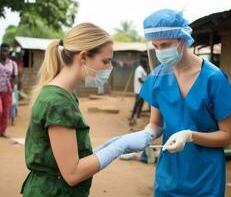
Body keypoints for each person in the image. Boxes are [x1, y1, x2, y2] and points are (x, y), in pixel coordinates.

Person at [21, 23, 160, 197]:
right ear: (83, 57)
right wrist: (120, 146)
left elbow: (66, 156)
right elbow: (72, 174)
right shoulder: (58, 102)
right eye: (106, 61)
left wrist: (106, 146)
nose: (109, 68)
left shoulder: (66, 95)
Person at [139, 9, 231, 196]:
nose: (161, 51)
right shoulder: (157, 77)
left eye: (165, 44)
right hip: (169, 175)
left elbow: (227, 136)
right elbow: (155, 124)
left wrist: (190, 136)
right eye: (156, 46)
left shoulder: (214, 78)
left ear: (182, 39)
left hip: (206, 177)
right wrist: (144, 136)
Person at [0, 43, 18, 137]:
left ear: (8, 52)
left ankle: (2, 131)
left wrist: (12, 86)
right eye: (3, 50)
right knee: (0, 110)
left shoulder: (12, 64)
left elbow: (14, 76)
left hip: (7, 90)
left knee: (6, 112)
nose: (4, 52)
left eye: (6, 51)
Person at [129, 58, 148, 124]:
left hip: (141, 90)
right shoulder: (139, 69)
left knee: (140, 103)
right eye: (145, 62)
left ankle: (137, 116)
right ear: (143, 63)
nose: (146, 64)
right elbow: (139, 79)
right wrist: (147, 82)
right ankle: (133, 116)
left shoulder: (141, 69)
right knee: (137, 103)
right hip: (139, 90)